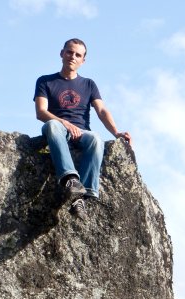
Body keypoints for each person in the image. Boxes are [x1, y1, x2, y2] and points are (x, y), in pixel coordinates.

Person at [34, 38, 132, 219]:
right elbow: (41, 112)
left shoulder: (89, 84)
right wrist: (65, 123)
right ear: (62, 53)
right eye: (70, 52)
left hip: (82, 133)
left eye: (78, 55)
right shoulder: (45, 81)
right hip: (59, 129)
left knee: (96, 138)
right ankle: (70, 180)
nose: (73, 57)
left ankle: (82, 197)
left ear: (83, 60)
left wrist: (116, 132)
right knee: (53, 125)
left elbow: (101, 110)